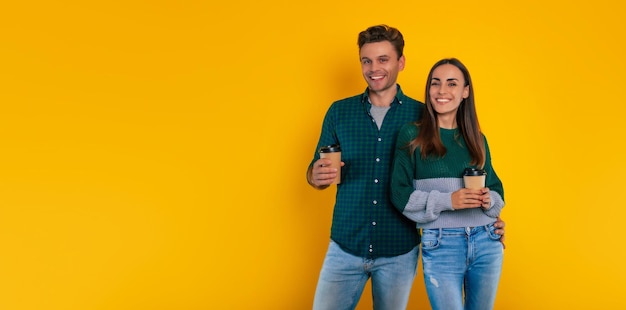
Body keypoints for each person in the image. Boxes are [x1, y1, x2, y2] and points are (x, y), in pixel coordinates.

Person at [307, 25, 505, 310]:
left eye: (383, 59)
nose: (374, 68)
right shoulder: (339, 112)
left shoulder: (424, 117)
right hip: (345, 244)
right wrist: (315, 175)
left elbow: (465, 174)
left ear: (400, 63)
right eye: (366, 60)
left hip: (399, 249)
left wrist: (486, 219)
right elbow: (316, 172)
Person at [390, 57, 505, 310]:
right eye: (435, 83)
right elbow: (399, 194)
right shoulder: (412, 135)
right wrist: (448, 201)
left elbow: (497, 191)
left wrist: (489, 200)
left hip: (487, 241)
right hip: (441, 243)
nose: (442, 91)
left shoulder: (477, 139)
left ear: (465, 92)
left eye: (452, 84)